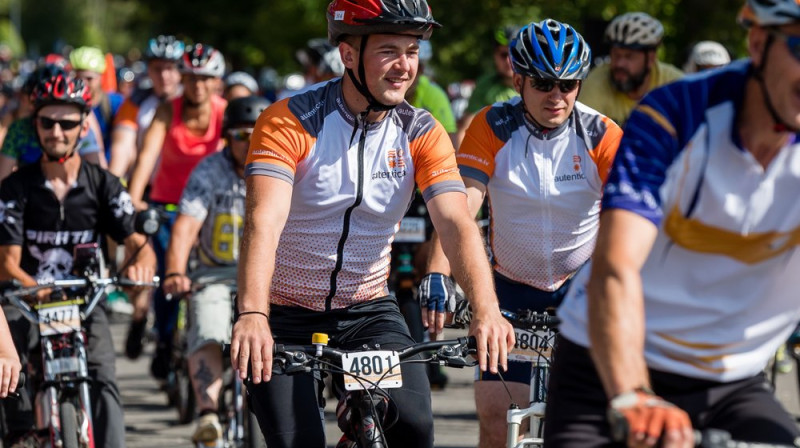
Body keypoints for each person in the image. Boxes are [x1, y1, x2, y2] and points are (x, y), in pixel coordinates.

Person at [231, 1, 514, 447]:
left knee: (415, 430)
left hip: (366, 311)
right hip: (281, 310)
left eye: (412, 50)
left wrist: (486, 309)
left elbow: (457, 221)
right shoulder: (289, 121)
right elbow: (261, 223)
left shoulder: (421, 131)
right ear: (348, 55)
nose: (405, 66)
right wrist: (252, 314)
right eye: (388, 51)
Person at [546, 1, 800, 446]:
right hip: (609, 360)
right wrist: (633, 393)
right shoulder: (677, 112)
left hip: (730, 379)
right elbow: (616, 267)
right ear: (759, 44)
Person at [423, 19, 621, 448]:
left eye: (568, 84)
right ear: (518, 80)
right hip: (509, 290)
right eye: (544, 83)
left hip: (578, 288)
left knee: (589, 425)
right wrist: (439, 272)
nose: (557, 96)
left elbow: (629, 216)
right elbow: (460, 209)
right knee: (497, 420)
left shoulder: (601, 133)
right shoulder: (490, 126)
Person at [0, 71, 156, 447]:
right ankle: (20, 435)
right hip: (27, 298)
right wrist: (33, 289)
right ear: (34, 124)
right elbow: (6, 262)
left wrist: (141, 260)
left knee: (104, 378)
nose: (56, 132)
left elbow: (137, 240)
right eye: (47, 122)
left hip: (85, 301)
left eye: (67, 122)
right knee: (12, 370)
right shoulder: (15, 188)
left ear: (84, 124)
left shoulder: (102, 183)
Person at [162, 95, 270, 446]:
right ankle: (208, 414)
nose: (249, 143)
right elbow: (186, 225)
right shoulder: (208, 170)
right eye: (240, 135)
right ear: (226, 137)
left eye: (256, 135)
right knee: (208, 328)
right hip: (214, 273)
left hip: (267, 277)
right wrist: (176, 270)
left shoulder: (279, 169)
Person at [127, 42, 227, 380]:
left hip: (212, 211)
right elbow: (145, 158)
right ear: (182, 79)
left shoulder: (225, 113)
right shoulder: (168, 110)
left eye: (205, 79)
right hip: (167, 205)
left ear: (216, 82)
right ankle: (166, 341)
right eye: (191, 78)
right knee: (168, 276)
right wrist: (134, 200)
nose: (197, 86)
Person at [0, 65, 105, 184]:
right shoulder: (19, 128)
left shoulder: (79, 126)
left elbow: (99, 175)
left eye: (66, 124)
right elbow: (3, 180)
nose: (56, 132)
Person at [580, 12, 683, 126]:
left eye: (629, 56)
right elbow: (582, 133)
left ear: (651, 59)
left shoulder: (674, 83)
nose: (620, 64)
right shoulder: (596, 82)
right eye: (616, 55)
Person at [109, 35, 184, 181]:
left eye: (170, 68)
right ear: (148, 70)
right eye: (157, 69)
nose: (164, 75)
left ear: (180, 71)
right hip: (144, 185)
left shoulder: (191, 102)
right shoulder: (135, 101)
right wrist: (111, 186)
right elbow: (122, 148)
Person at [456, 25, 520, 146]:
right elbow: (465, 129)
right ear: (494, 56)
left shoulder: (534, 84)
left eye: (513, 54)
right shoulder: (484, 85)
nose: (508, 60)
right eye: (503, 54)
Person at [70, 46, 125, 163]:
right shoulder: (69, 104)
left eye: (89, 78)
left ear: (101, 77)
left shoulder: (116, 103)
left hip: (109, 166)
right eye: (78, 78)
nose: (83, 83)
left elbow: (124, 143)